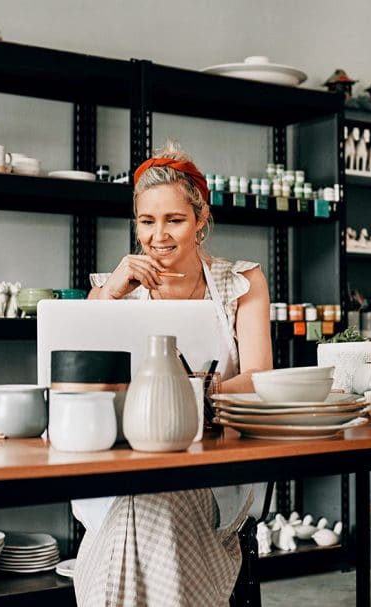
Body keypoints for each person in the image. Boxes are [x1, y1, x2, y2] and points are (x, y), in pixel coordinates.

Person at [72, 141, 272, 606]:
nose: (158, 235)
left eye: (174, 220)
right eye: (147, 221)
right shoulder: (110, 287)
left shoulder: (241, 282)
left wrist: (188, 393)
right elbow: (79, 378)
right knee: (142, 495)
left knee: (154, 499)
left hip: (214, 465)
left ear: (201, 221)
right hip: (124, 465)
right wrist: (109, 297)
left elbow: (260, 376)